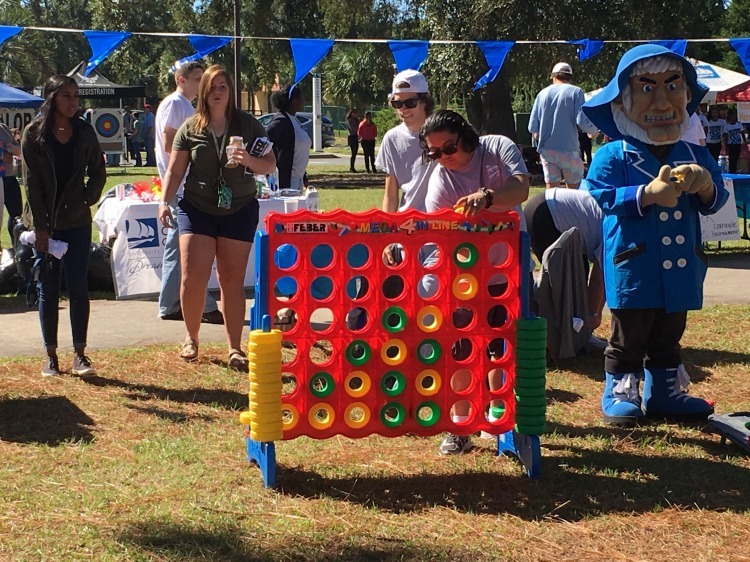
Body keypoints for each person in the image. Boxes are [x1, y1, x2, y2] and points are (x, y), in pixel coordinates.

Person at [582, 44, 729, 425]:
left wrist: (705, 186)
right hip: (635, 264)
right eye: (647, 88)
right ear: (624, 99)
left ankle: (665, 392)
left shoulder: (693, 152)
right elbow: (596, 195)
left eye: (673, 86)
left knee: (669, 330)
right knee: (629, 332)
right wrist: (645, 195)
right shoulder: (613, 154)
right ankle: (620, 389)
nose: (662, 101)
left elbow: (717, 199)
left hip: (680, 267)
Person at [421, 109, 531, 455]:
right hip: (464, 277)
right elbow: (439, 230)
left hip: (507, 268)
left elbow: (521, 188)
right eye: (433, 152)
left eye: (448, 148)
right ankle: (460, 423)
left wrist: (486, 198)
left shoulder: (498, 147)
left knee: (502, 343)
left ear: (466, 137)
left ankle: (498, 415)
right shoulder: (440, 178)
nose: (442, 158)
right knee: (463, 347)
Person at [157, 65, 275, 369]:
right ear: (204, 92)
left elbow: (269, 164)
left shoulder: (248, 125)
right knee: (192, 275)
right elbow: (175, 170)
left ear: (230, 91)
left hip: (239, 208)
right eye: (213, 87)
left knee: (231, 281)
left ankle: (235, 348)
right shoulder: (190, 127)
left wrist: (248, 159)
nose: (218, 92)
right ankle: (191, 337)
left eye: (223, 86)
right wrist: (164, 202)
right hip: (197, 209)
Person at [21, 74, 107, 376]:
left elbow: (99, 170)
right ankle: (50, 356)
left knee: (79, 288)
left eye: (76, 95)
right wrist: (42, 228)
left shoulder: (84, 131)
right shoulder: (33, 135)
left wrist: (86, 198)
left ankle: (80, 354)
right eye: (67, 96)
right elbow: (32, 185)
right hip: (45, 225)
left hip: (77, 222)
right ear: (52, 98)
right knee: (49, 288)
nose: (74, 101)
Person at [155, 61, 223, 325]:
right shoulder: (176, 104)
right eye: (197, 78)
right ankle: (200, 305)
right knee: (190, 245)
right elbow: (169, 140)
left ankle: (172, 303)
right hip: (182, 184)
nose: (201, 83)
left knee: (178, 246)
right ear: (181, 80)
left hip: (182, 183)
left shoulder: (182, 105)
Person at [523, 188, 606, 358]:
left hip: (547, 207)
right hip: (545, 215)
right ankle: (551, 340)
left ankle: (578, 335)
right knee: (562, 285)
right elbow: (599, 278)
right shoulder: (621, 231)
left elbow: (605, 277)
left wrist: (593, 312)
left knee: (576, 281)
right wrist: (591, 314)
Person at [529, 62, 598, 189]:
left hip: (547, 150)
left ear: (553, 76)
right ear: (570, 77)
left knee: (551, 190)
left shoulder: (542, 94)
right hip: (569, 149)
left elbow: (533, 128)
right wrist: (593, 132)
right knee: (573, 190)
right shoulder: (576, 92)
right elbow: (581, 120)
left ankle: (551, 209)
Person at [376, 69, 437, 213]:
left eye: (410, 103)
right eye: (397, 103)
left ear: (424, 102)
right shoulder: (391, 139)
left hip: (443, 221)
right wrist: (386, 229)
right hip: (407, 224)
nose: (403, 109)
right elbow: (390, 195)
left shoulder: (444, 132)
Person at [266, 84, 311, 193]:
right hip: (286, 180)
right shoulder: (281, 121)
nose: (303, 101)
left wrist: (303, 176)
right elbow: (264, 139)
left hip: (298, 179)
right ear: (295, 101)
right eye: (301, 97)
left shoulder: (294, 120)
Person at [0, 124, 22, 243]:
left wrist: (7, 150)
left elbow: (18, 151)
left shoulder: (3, 128)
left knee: (17, 215)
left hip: (10, 176)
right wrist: (6, 152)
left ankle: (16, 246)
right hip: (0, 177)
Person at [345, 108, 360, 173]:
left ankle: (353, 167)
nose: (355, 114)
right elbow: (352, 129)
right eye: (354, 113)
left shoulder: (356, 120)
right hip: (351, 136)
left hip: (355, 136)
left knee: (355, 152)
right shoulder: (349, 120)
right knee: (353, 153)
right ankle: (351, 167)